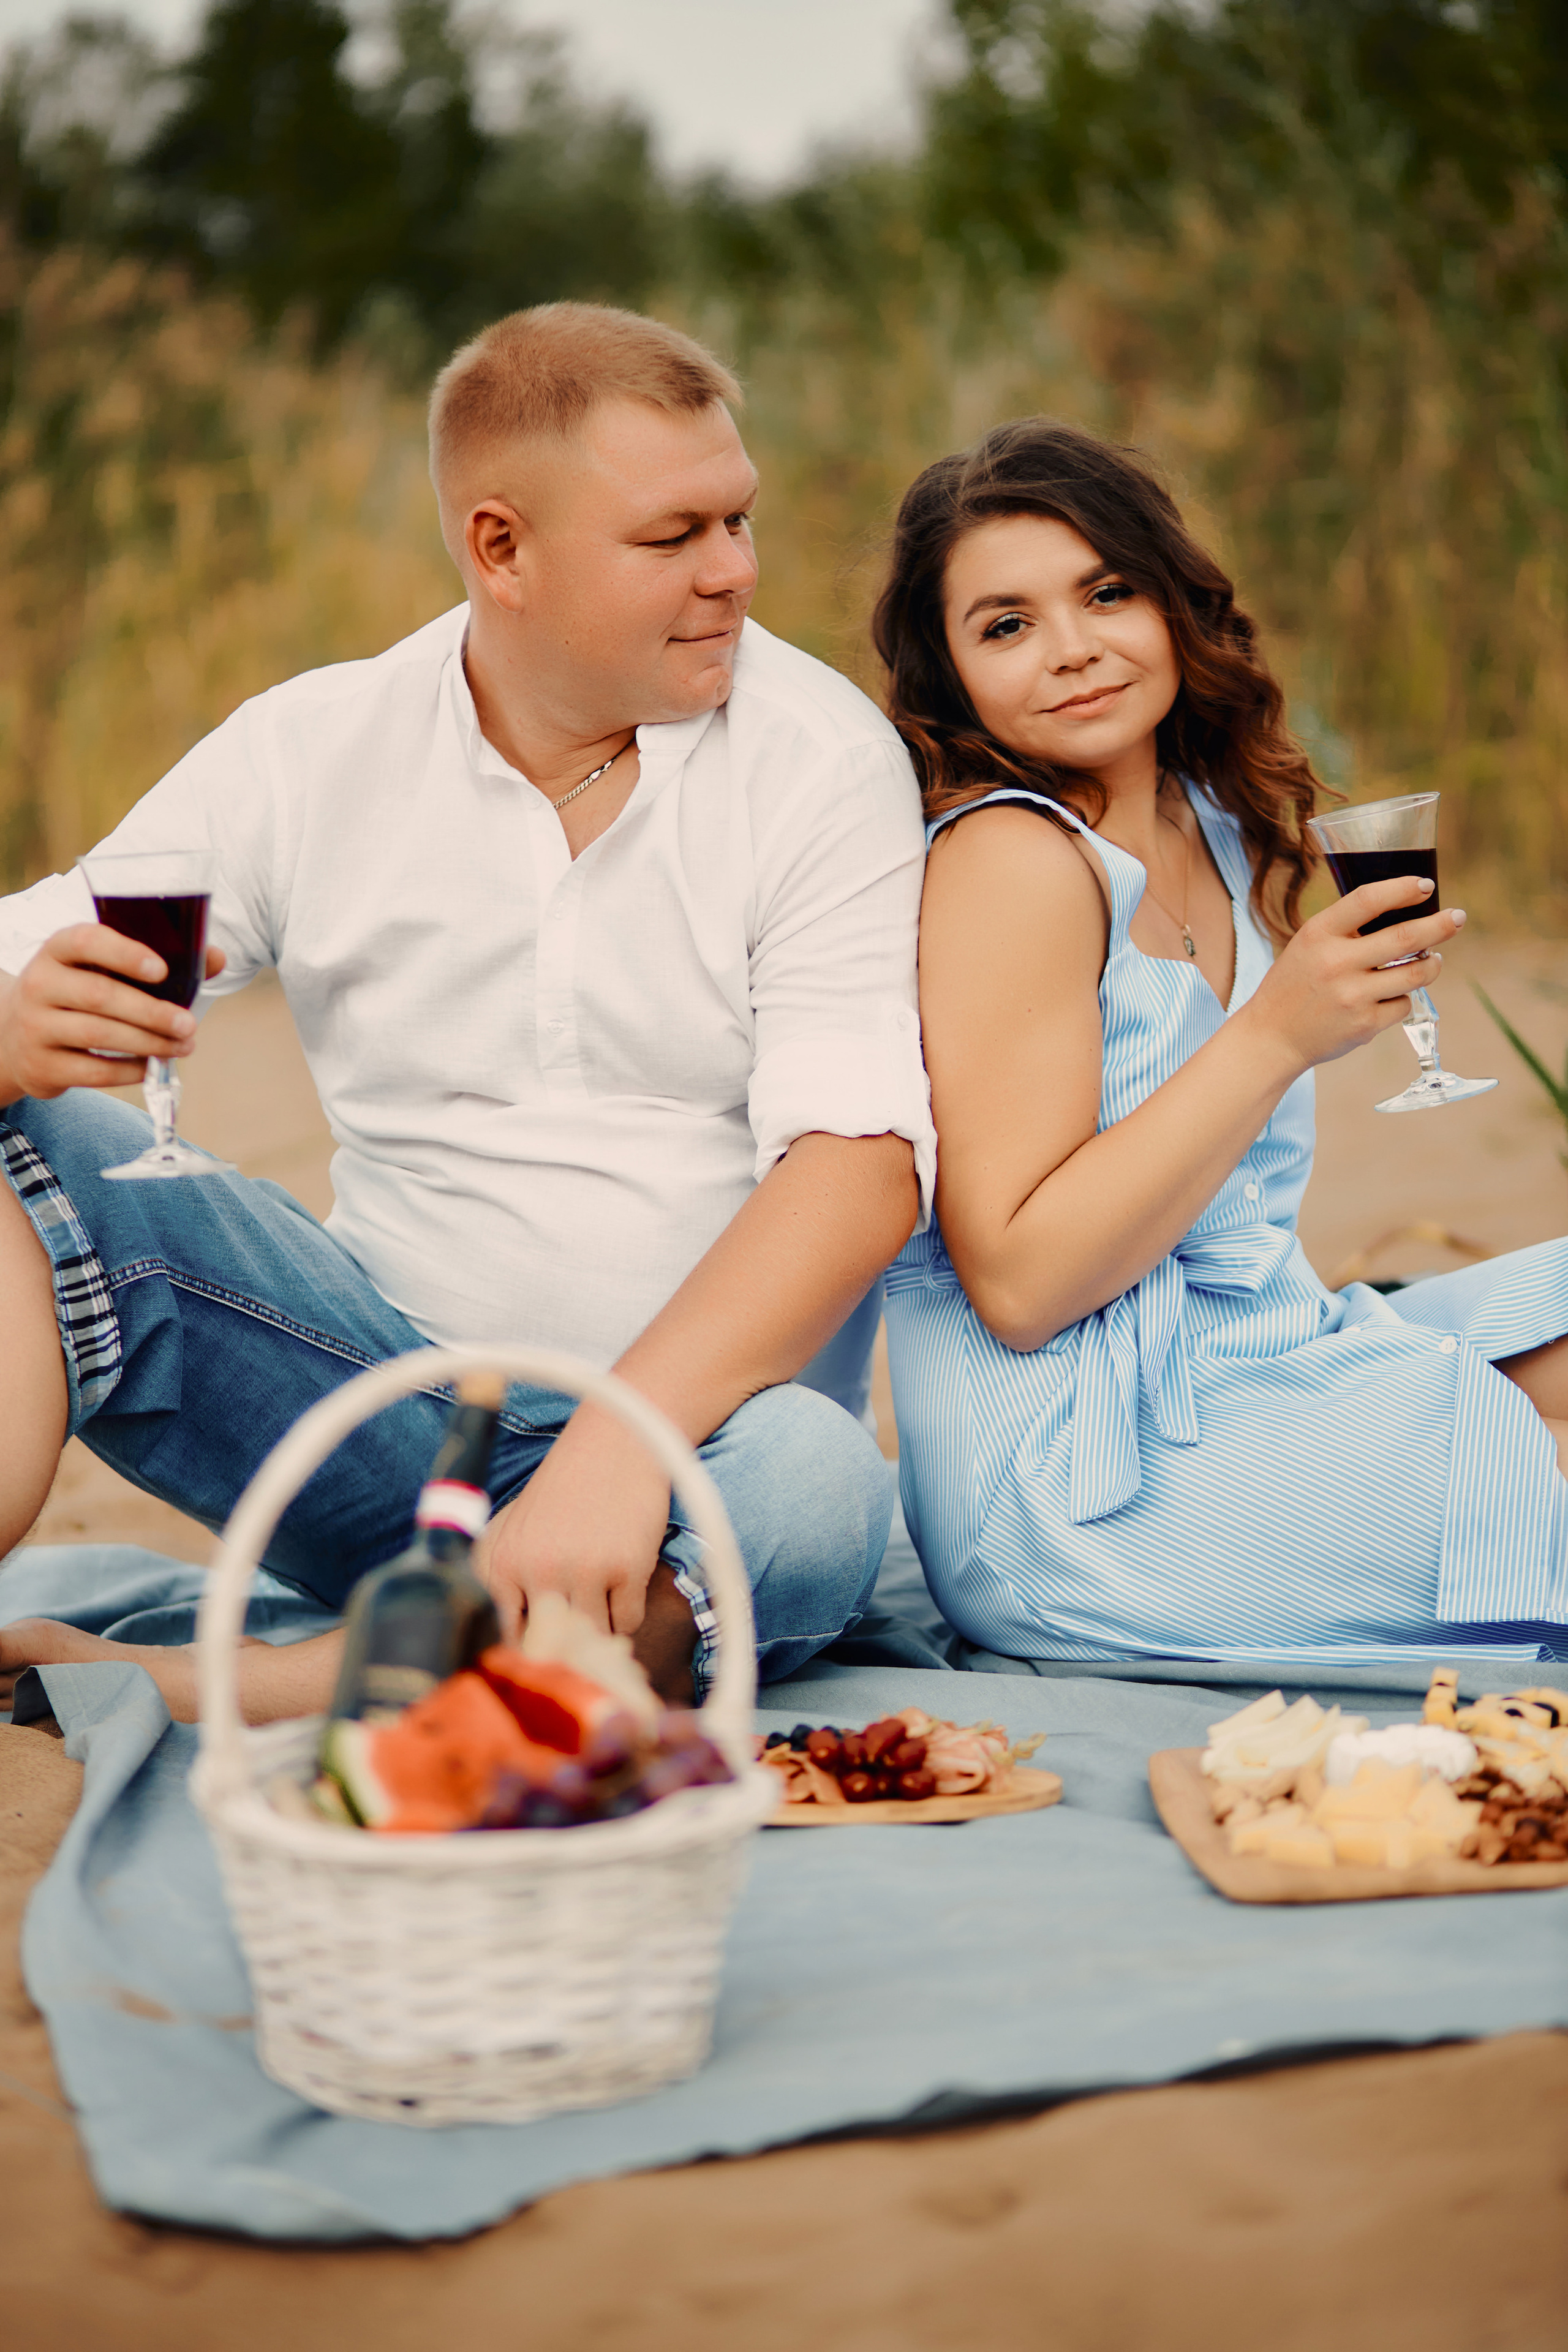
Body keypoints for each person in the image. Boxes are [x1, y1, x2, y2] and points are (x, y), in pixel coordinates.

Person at [0, 303, 934, 1717]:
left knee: (819, 1485)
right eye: (671, 538)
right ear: (501, 548)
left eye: (737, 521)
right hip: (367, 1419)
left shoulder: (818, 763)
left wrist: (615, 1460)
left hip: (684, 1476)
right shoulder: (317, 749)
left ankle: (264, 1684)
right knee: (33, 1135)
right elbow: (47, 943)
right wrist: (11, 1027)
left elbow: (860, 1173)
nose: (734, 573)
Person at [877, 417, 1567, 1668]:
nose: (1073, 650)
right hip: (1081, 1477)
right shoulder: (1012, 862)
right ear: (951, 672)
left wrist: (1312, 1021)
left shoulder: (1212, 821)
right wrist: (1270, 1038)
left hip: (1263, 1355)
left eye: (1105, 591)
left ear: (1170, 602)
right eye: (1005, 624)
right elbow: (1022, 1286)